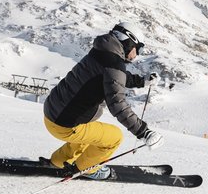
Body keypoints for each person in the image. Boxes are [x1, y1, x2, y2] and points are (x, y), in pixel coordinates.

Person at [42, 22, 164, 180]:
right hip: (65, 124)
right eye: (138, 48)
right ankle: (87, 170)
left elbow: (113, 77)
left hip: (52, 112)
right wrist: (143, 132)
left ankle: (58, 161)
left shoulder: (101, 50)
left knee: (91, 133)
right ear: (129, 41)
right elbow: (117, 103)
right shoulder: (114, 63)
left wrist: (142, 81)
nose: (136, 55)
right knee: (114, 137)